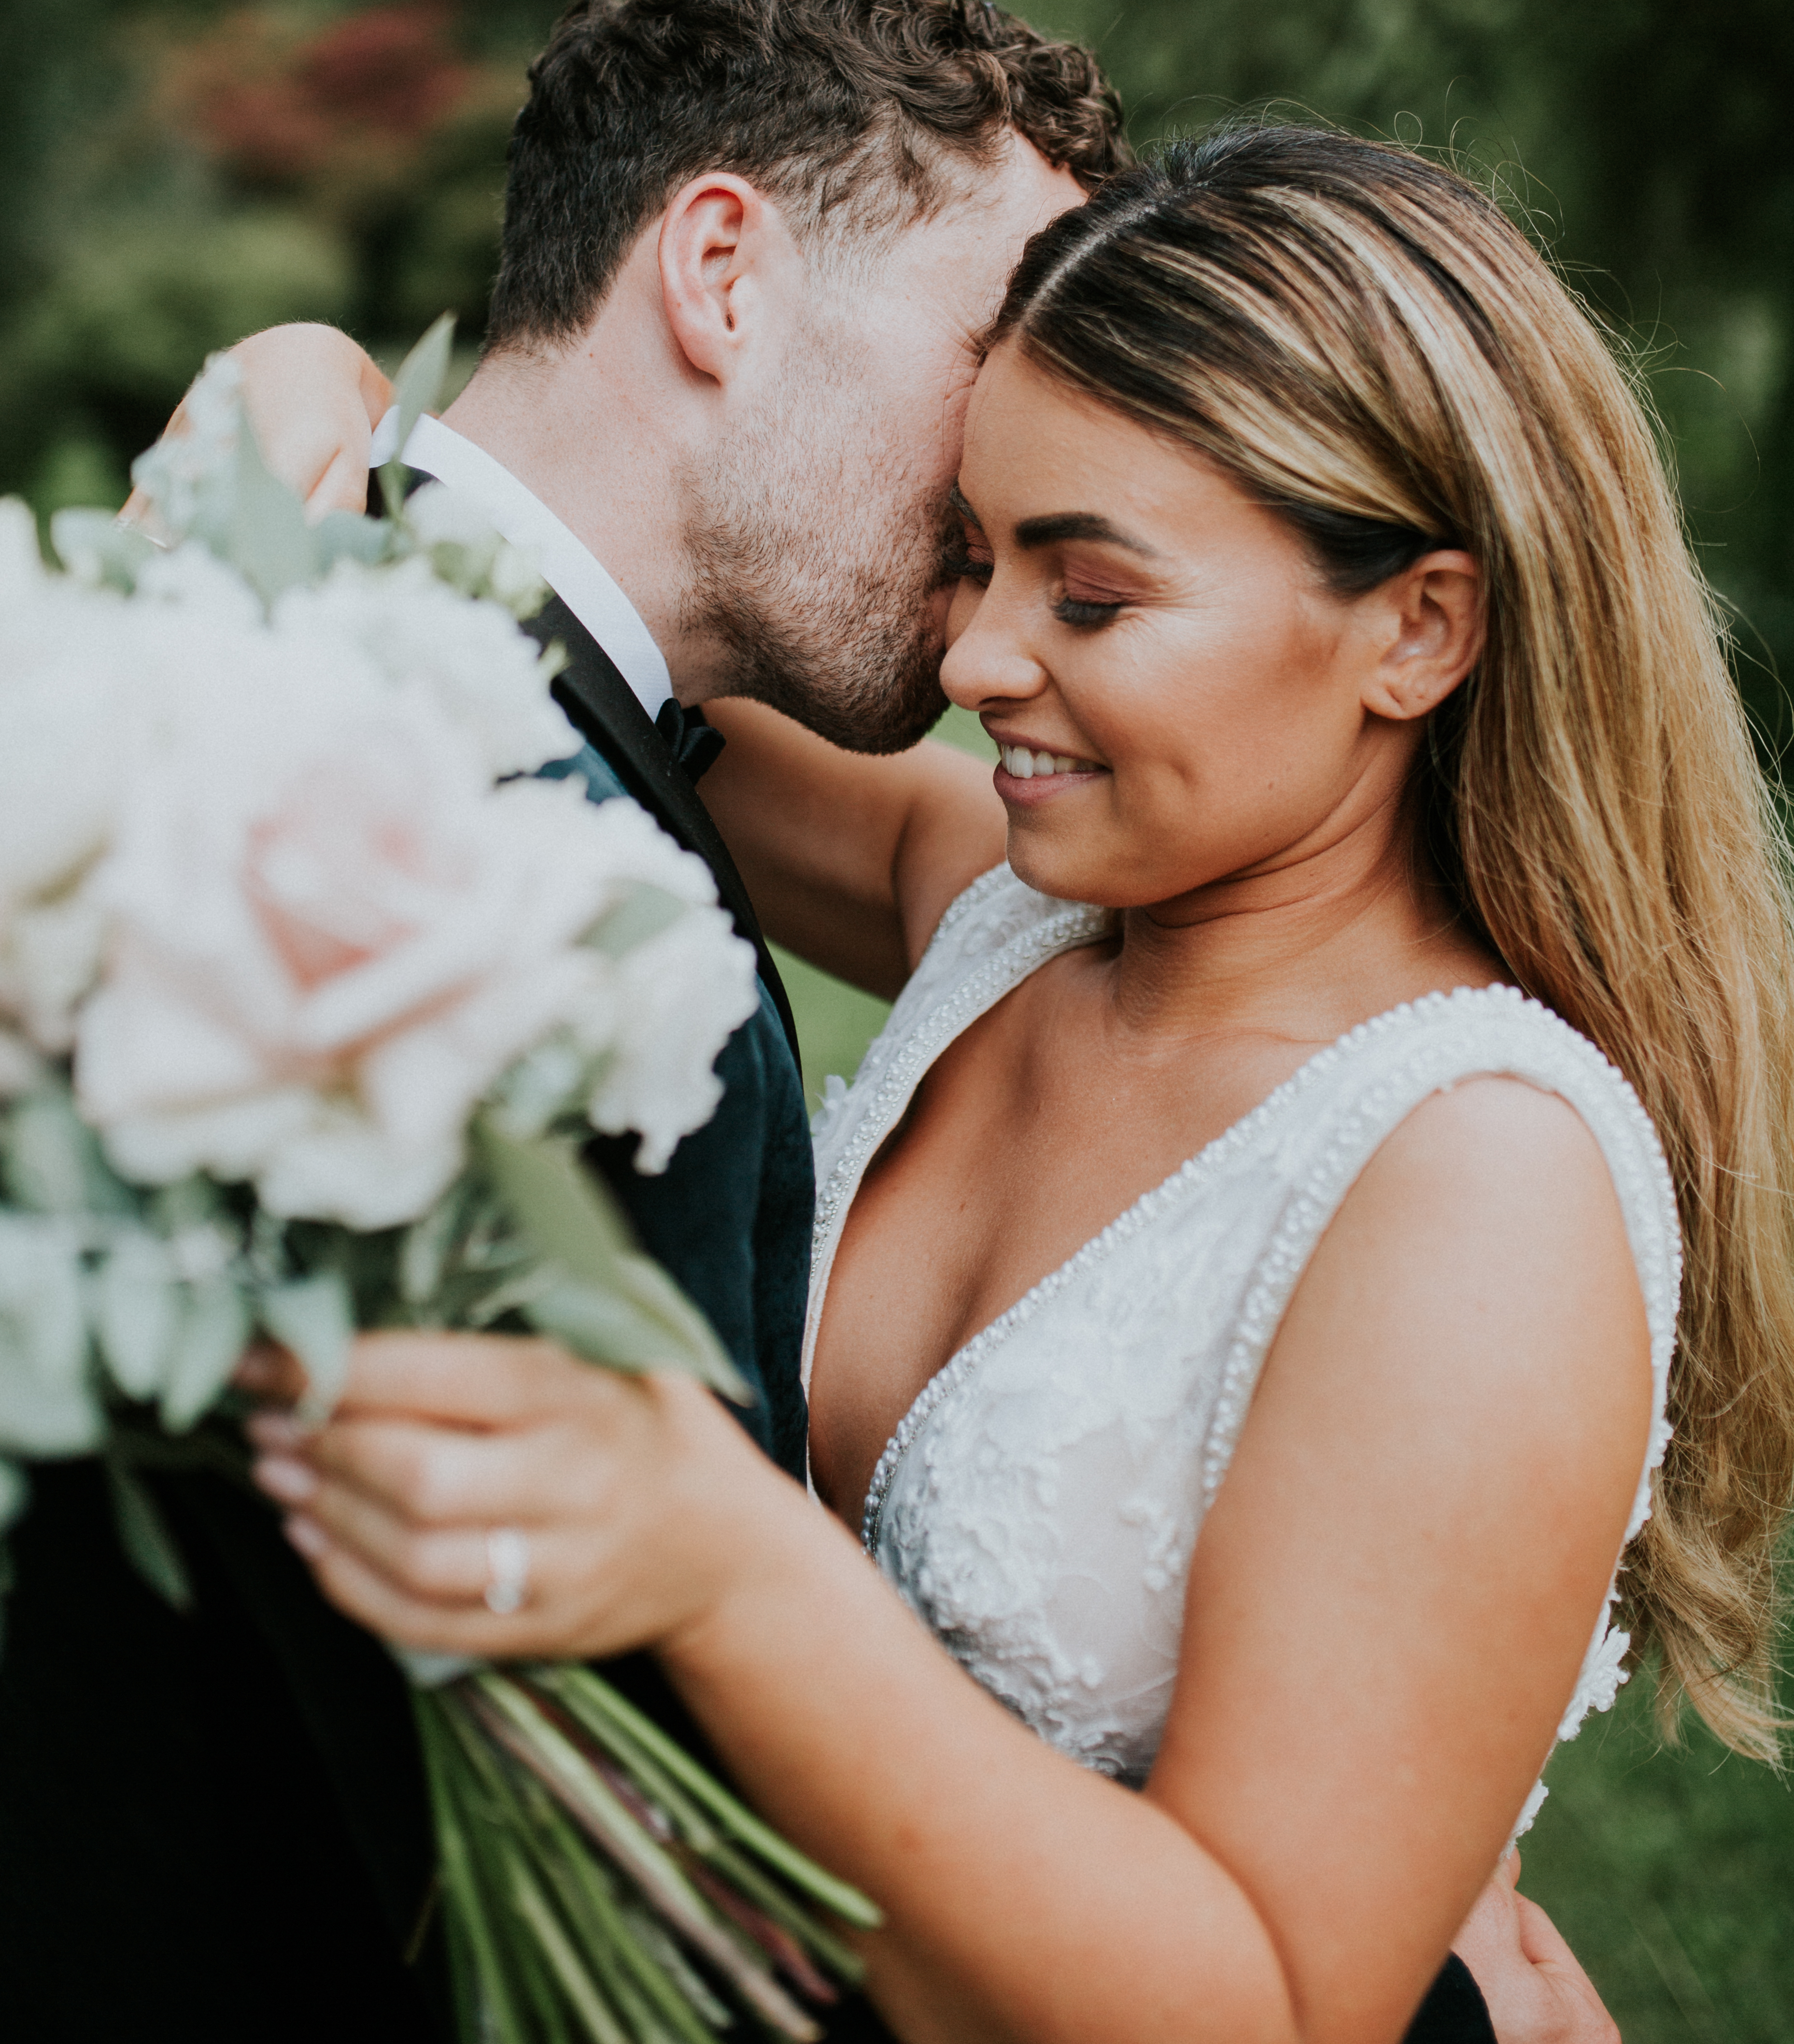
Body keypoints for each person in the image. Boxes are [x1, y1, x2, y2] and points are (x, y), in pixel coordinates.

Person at [225, 124, 1790, 2037]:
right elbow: (566, 602)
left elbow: (1274, 2008)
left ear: (1414, 628)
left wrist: (718, 1554)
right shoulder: (1007, 907)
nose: (970, 654)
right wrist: (309, 385)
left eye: (1087, 594)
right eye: (976, 555)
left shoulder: (1473, 1185)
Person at [0, 0, 1124, 2043]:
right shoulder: (507, 891)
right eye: (995, 341)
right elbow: (654, 1814)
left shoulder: (269, 642)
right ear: (718, 272)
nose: (1015, 470)